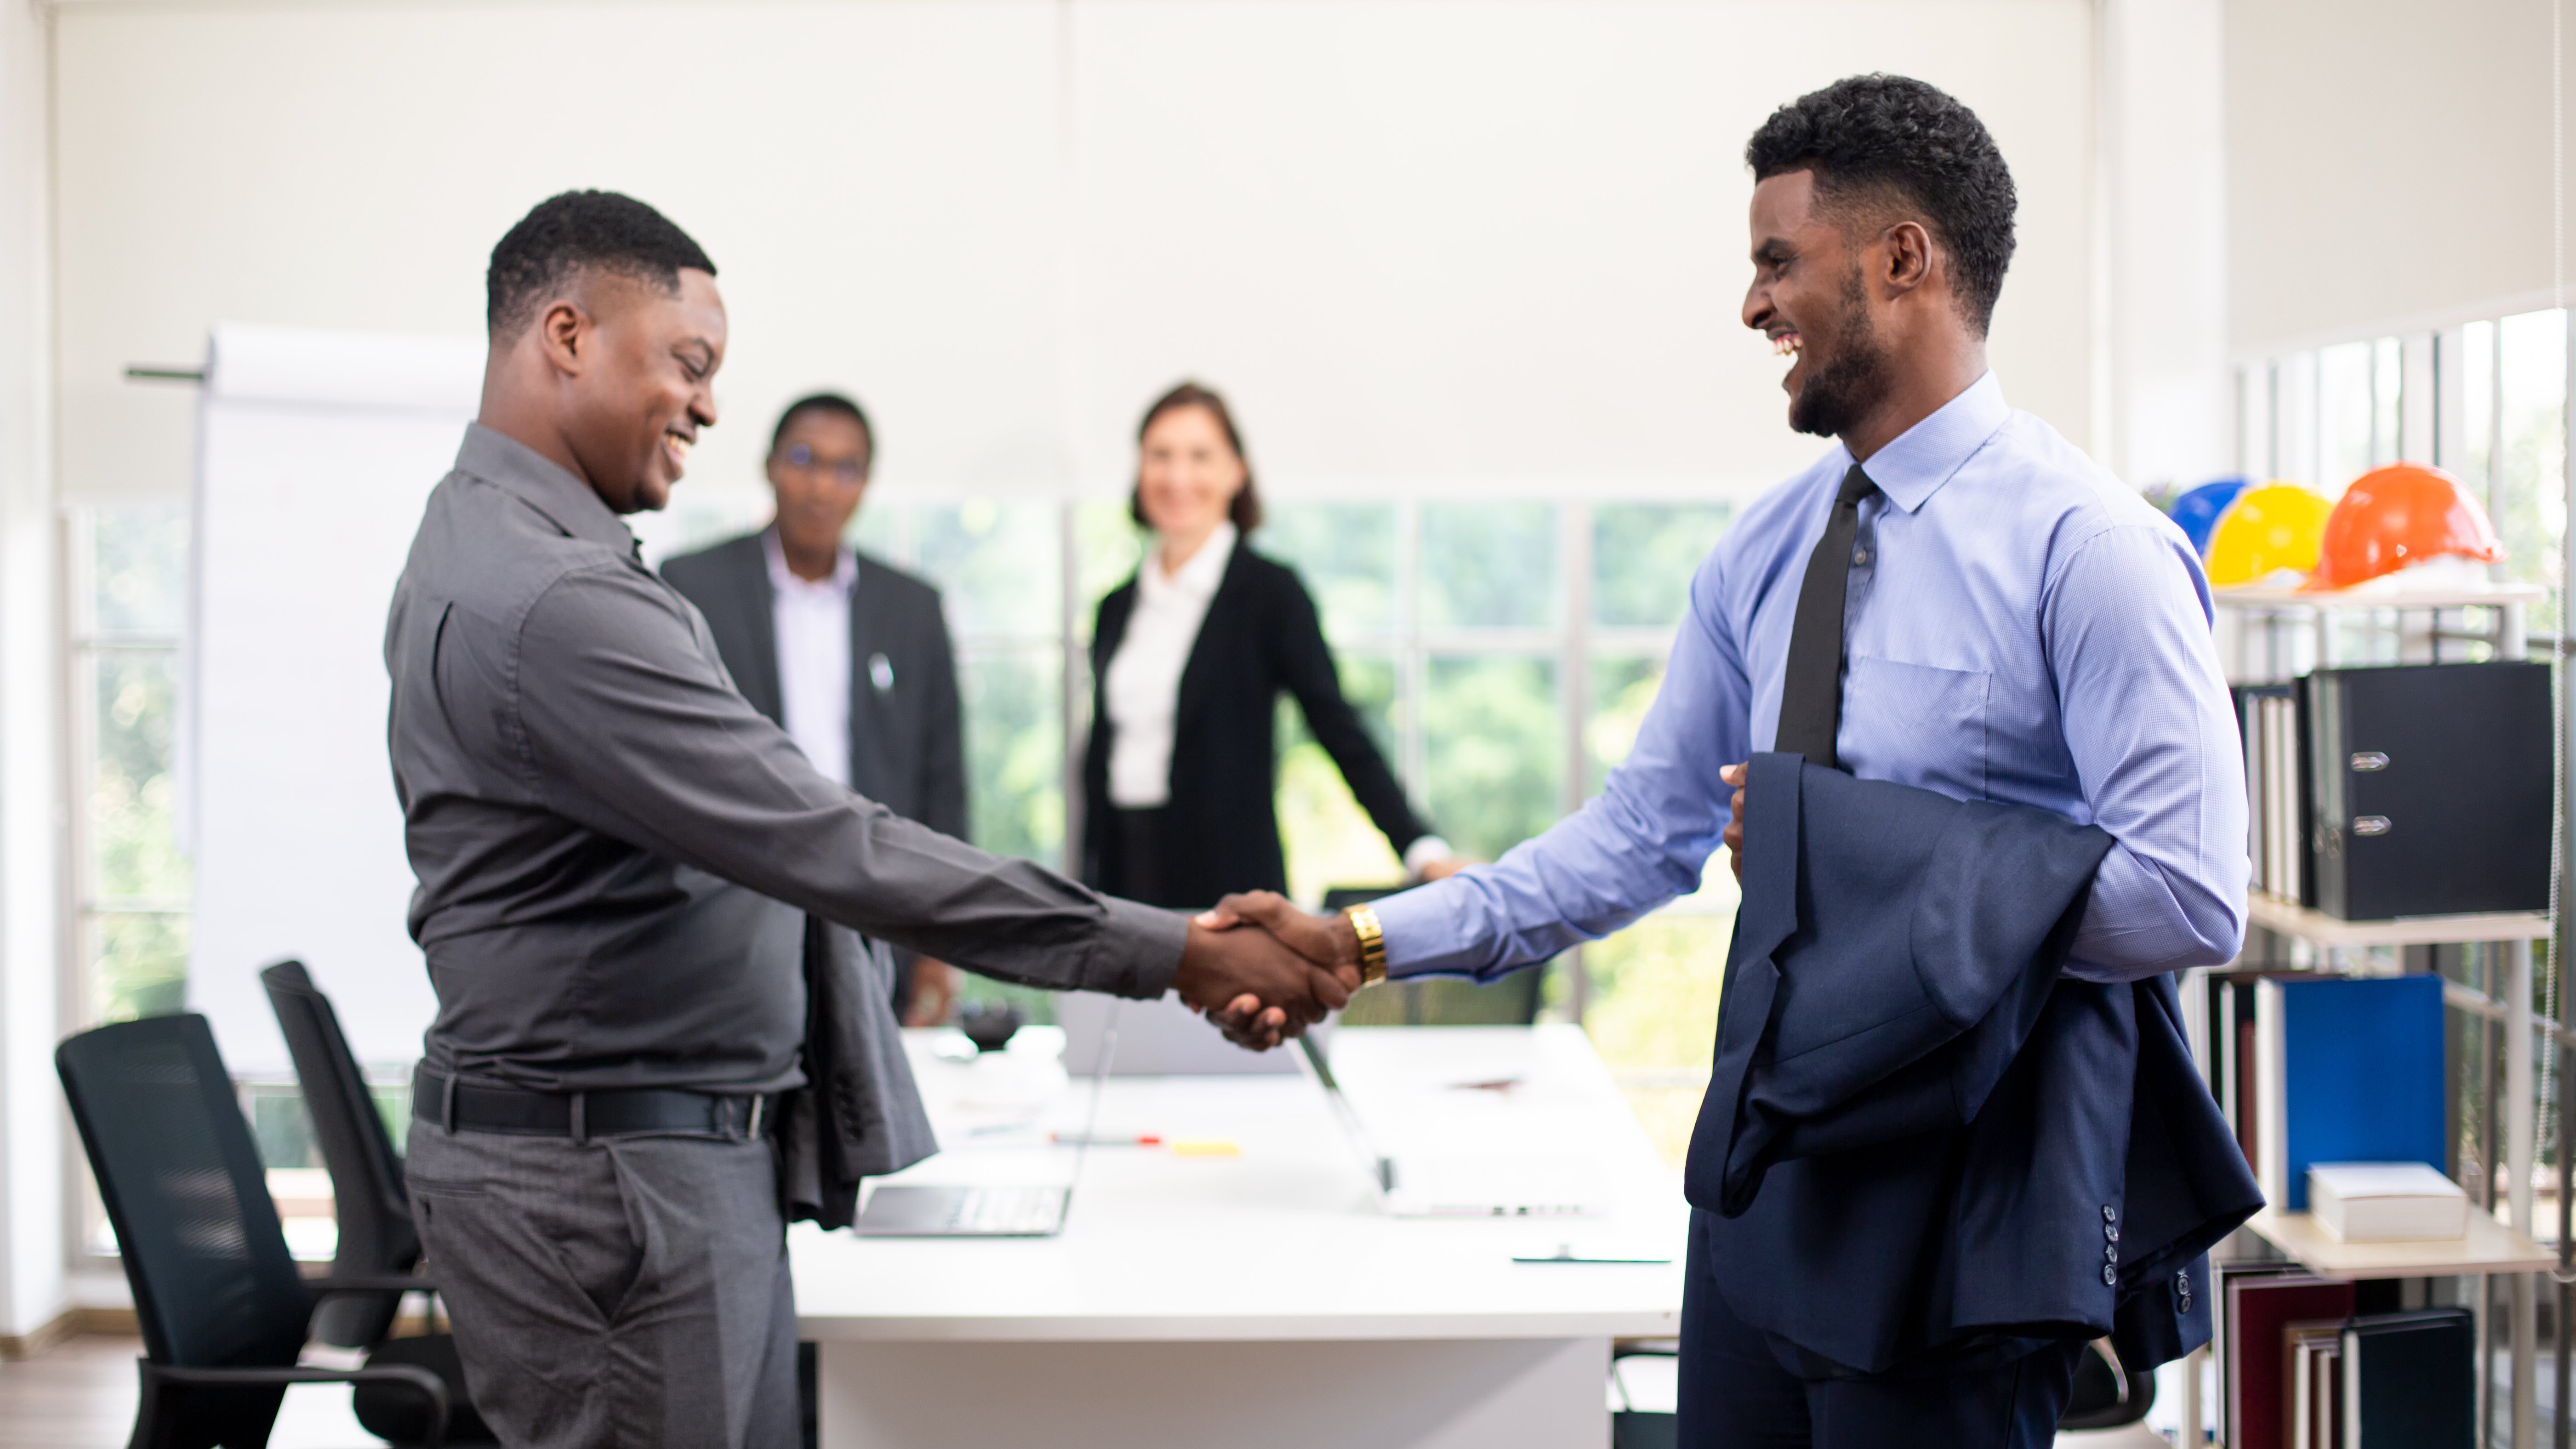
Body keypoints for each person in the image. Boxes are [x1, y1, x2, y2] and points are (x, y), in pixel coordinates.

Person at [1205, 76, 2249, 1447]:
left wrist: (1850, 858)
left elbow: (2189, 896)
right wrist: (1366, 940)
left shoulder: (2091, 548)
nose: (1750, 306)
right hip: (1756, 1191)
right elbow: (1640, 834)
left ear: (1900, 260)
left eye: (1775, 262)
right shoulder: (1761, 553)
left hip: (1962, 1211)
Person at [384, 190, 1345, 1449]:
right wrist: (1180, 952)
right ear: (564, 335)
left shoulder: (501, 538)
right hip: (614, 1196)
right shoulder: (560, 598)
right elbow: (832, 844)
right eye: (689, 364)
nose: (710, 406)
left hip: (632, 1171)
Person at [1082, 382, 1461, 909]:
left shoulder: (1270, 595)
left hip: (1228, 885)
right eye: (1160, 456)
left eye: (1200, 456)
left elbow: (1338, 728)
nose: (1178, 476)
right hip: (1122, 884)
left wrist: (1420, 848)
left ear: (1236, 472)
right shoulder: (1117, 607)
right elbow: (1102, 763)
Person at [663, 394, 963, 1026]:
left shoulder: (911, 609)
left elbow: (942, 778)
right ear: (769, 466)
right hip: (736, 905)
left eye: (845, 467)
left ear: (866, 482)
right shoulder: (695, 587)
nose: (822, 485)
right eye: (804, 459)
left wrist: (944, 941)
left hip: (876, 905)